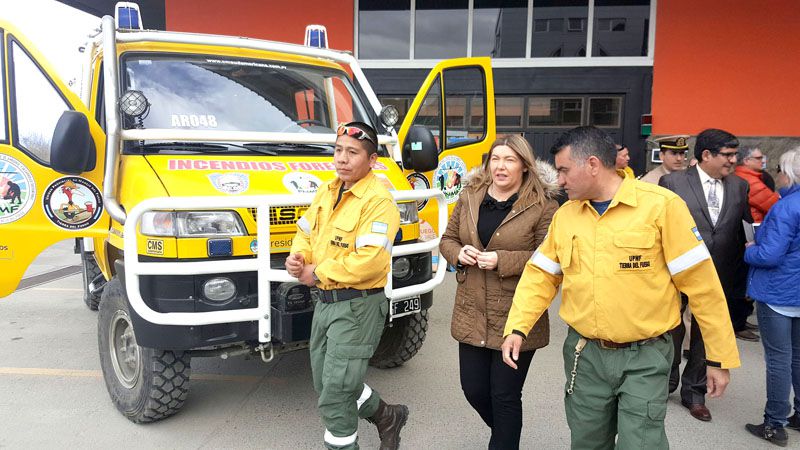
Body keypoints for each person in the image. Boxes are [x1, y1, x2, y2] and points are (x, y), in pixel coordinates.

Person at [501, 126, 740, 449]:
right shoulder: (566, 216)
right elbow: (540, 276)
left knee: (640, 443)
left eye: (564, 170)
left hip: (645, 357)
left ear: (592, 164)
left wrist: (718, 358)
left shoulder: (661, 207)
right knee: (587, 442)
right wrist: (517, 327)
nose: (560, 180)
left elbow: (703, 287)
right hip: (585, 356)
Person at [286, 121, 406, 450]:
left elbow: (371, 260)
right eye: (338, 150)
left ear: (372, 160)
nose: (342, 158)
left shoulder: (378, 201)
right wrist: (298, 257)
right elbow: (305, 232)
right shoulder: (327, 191)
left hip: (357, 306)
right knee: (328, 382)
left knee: (336, 393)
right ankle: (387, 416)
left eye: (352, 152)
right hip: (326, 302)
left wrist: (318, 272)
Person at [439, 135, 559, 449]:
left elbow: (548, 256)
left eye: (509, 160)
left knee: (505, 395)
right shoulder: (470, 195)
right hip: (472, 311)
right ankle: (506, 434)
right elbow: (447, 239)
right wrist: (458, 253)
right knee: (474, 390)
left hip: (516, 313)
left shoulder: (543, 205)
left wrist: (501, 260)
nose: (500, 166)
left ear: (524, 165)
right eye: (495, 159)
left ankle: (504, 441)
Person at [659, 128, 754, 422]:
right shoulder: (673, 182)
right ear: (706, 155)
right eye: (728, 155)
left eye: (735, 154)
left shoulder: (739, 186)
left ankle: (695, 393)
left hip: (719, 272)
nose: (734, 160)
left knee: (705, 332)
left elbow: (744, 229)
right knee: (671, 327)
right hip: (676, 272)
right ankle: (666, 381)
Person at [744, 148, 800, 447]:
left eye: (779, 168)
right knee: (798, 356)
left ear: (789, 173)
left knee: (778, 360)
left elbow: (769, 255)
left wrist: (749, 249)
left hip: (778, 292)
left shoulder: (786, 207)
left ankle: (774, 424)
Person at [735, 146, 780, 223]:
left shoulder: (739, 175)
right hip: (755, 225)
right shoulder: (750, 181)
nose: (763, 161)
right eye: (759, 158)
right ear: (746, 161)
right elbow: (776, 207)